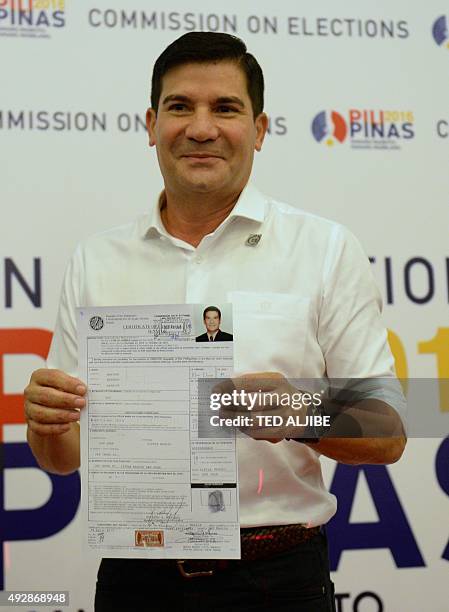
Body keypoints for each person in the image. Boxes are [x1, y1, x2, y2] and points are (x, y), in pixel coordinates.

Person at [24, 32, 406, 611]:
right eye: (180, 107)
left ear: (258, 129)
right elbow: (63, 457)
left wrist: (302, 412)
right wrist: (47, 426)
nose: (201, 128)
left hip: (277, 581)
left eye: (225, 108)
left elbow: (390, 430)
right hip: (134, 578)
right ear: (151, 125)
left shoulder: (324, 247)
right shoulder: (95, 259)